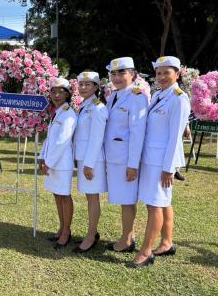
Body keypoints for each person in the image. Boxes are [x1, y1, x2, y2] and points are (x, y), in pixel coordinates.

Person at [130, 56, 190, 268]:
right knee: (163, 202)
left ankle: (146, 252)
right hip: (151, 158)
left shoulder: (179, 98)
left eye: (167, 72)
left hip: (161, 162)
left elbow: (175, 138)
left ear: (177, 74)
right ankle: (166, 242)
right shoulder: (158, 95)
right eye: (159, 73)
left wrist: (169, 168)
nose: (162, 77)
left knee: (154, 204)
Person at [104, 57, 148, 253]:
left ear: (133, 74)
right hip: (113, 157)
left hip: (125, 159)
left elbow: (137, 134)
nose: (116, 77)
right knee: (123, 198)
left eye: (121, 72)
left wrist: (133, 165)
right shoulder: (114, 96)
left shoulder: (137, 97)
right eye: (113, 73)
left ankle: (127, 239)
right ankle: (127, 236)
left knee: (127, 199)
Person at [39, 77, 77, 249]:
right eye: (53, 91)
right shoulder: (57, 112)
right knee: (57, 195)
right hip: (52, 162)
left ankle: (67, 231)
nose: (55, 95)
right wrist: (42, 157)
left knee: (64, 196)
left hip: (61, 163)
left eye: (60, 92)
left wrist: (49, 162)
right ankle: (61, 228)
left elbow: (63, 141)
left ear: (67, 94)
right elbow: (50, 139)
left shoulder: (69, 113)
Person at [72, 71, 108, 254]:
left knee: (93, 198)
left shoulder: (98, 108)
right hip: (84, 158)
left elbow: (97, 138)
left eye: (88, 84)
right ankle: (92, 232)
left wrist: (89, 164)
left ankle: (91, 236)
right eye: (81, 84)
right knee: (89, 197)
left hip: (92, 160)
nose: (83, 87)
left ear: (96, 87)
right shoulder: (85, 105)